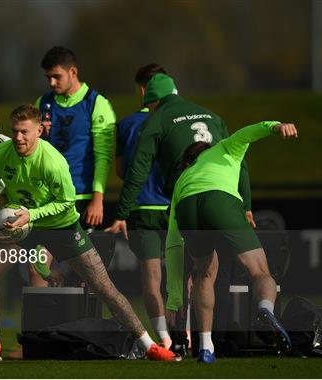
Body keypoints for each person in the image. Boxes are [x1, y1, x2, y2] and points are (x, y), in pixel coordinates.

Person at [0, 104, 180, 364]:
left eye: (25, 132)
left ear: (39, 132)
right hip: (21, 228)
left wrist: (31, 215)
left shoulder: (53, 161)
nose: (19, 137)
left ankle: (149, 346)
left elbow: (67, 202)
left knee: (105, 289)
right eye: (15, 131)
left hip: (62, 228)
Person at [106, 72, 254, 355]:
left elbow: (135, 170)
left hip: (184, 203)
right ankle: (216, 341)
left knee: (180, 276)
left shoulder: (155, 120)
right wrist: (246, 205)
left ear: (152, 100)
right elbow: (239, 160)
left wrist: (121, 211)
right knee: (216, 272)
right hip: (223, 200)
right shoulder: (212, 115)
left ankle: (177, 341)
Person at [166, 121, 297, 363]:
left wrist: (174, 296)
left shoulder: (182, 180)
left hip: (187, 207)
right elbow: (246, 133)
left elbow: (173, 241)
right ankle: (265, 310)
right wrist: (275, 126)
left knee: (204, 274)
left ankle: (206, 347)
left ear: (189, 162)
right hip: (220, 201)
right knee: (259, 271)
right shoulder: (224, 148)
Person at [114, 63, 172, 348]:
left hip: (140, 209)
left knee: (152, 278)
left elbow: (122, 172)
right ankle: (185, 335)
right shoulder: (177, 120)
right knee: (182, 279)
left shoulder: (126, 124)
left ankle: (164, 339)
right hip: (173, 207)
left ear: (142, 89)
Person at [36, 47, 115, 255]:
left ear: (73, 72)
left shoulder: (96, 103)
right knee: (37, 268)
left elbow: (103, 156)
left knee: (86, 273)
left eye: (56, 76)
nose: (51, 83)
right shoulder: (42, 103)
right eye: (48, 77)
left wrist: (97, 200)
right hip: (49, 199)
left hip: (82, 197)